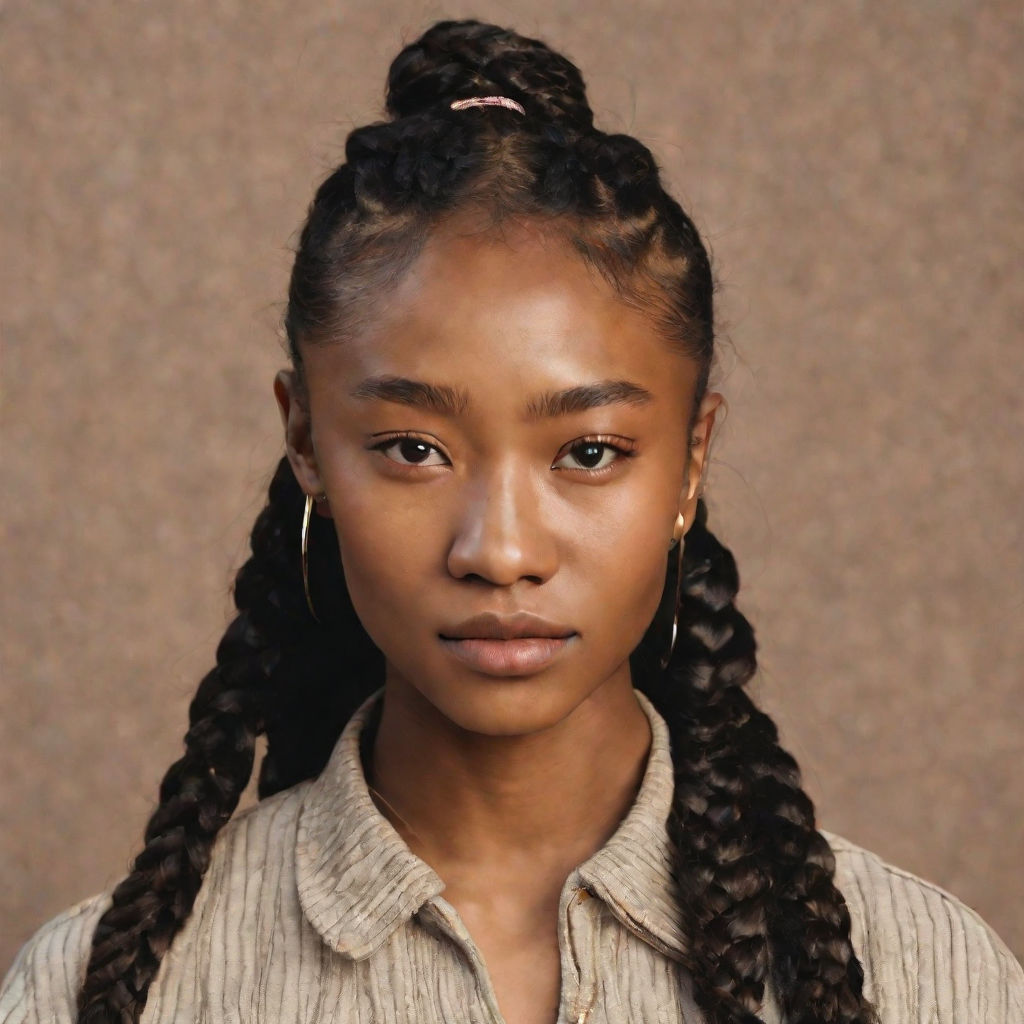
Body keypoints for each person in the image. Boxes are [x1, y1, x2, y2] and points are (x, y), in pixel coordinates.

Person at [1, 18, 1021, 1024]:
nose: (499, 551)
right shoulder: (102, 992)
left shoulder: (934, 978)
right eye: (413, 449)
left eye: (587, 452)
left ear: (691, 458)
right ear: (305, 441)